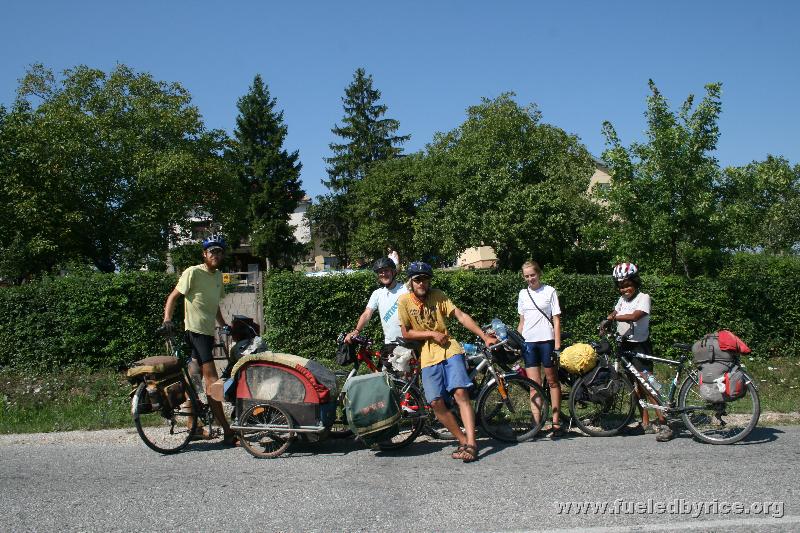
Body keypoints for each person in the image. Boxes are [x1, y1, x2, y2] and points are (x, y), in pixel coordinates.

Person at [397, 261, 496, 463]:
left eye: (425, 279)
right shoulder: (404, 301)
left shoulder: (438, 295)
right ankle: (462, 440)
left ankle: (472, 444)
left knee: (460, 392)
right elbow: (406, 332)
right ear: (411, 282)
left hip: (450, 349)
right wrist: (432, 333)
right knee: (435, 402)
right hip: (427, 354)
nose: (422, 283)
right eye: (417, 280)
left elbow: (460, 316)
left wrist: (484, 336)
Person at [162, 234, 236, 445]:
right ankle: (228, 431)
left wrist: (224, 325)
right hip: (195, 332)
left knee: (191, 381)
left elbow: (215, 306)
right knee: (212, 382)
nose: (216, 255)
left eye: (219, 251)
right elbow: (173, 297)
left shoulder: (218, 276)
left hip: (207, 333)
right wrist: (167, 319)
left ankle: (193, 426)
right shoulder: (192, 272)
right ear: (204, 254)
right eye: (212, 251)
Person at [607, 262, 673, 442]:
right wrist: (607, 320)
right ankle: (644, 422)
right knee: (635, 387)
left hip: (639, 346)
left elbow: (636, 316)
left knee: (648, 385)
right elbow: (614, 312)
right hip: (625, 347)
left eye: (628, 284)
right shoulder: (622, 300)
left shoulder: (644, 297)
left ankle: (664, 423)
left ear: (635, 282)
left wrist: (614, 318)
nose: (624, 289)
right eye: (621, 286)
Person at [516, 260, 563, 438]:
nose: (530, 279)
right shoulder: (522, 294)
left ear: (539, 273)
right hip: (529, 342)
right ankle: (536, 424)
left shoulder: (549, 291)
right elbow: (522, 321)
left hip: (547, 341)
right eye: (527, 276)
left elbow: (556, 319)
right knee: (533, 385)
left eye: (532, 275)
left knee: (552, 381)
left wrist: (557, 345)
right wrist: (517, 340)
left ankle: (556, 422)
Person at [344, 257, 407, 367]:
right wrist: (356, 330)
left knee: (405, 379)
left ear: (393, 272)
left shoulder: (405, 289)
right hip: (390, 343)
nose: (383, 274)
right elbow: (367, 313)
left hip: (407, 343)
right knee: (386, 378)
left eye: (386, 270)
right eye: (380, 272)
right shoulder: (377, 294)